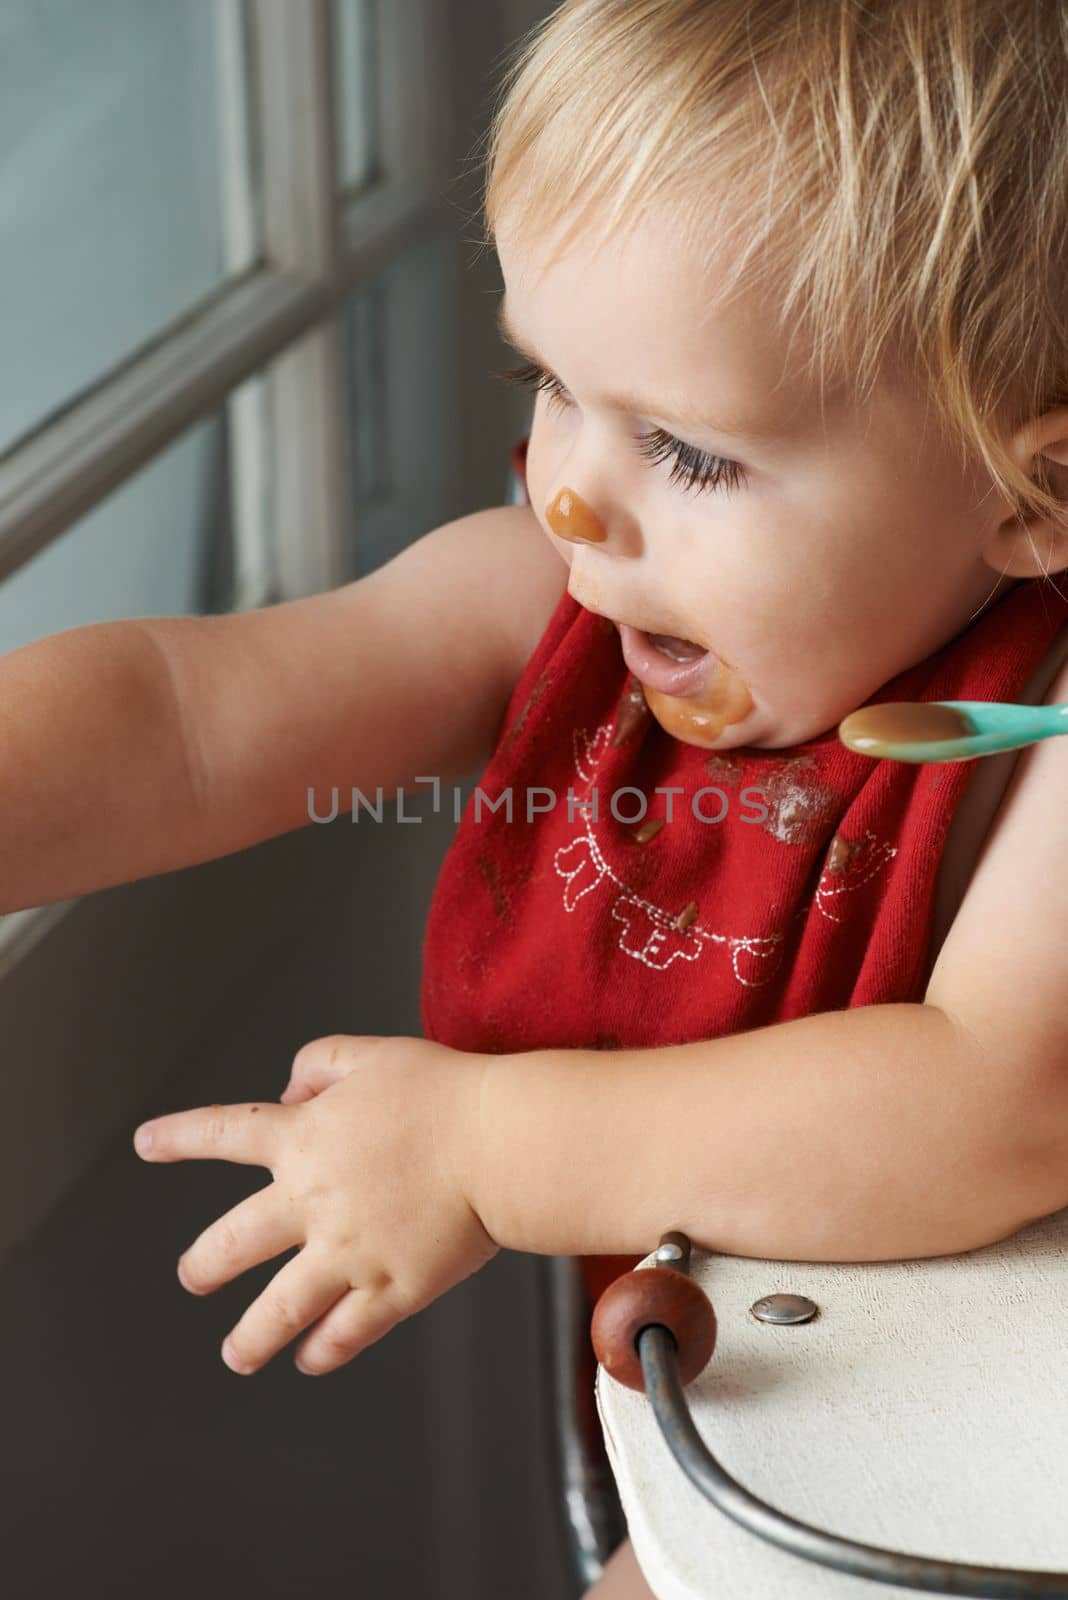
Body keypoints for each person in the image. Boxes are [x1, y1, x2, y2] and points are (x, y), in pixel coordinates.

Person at [2, 3, 1067, 1595]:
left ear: (1029, 497)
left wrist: (495, 1144)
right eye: (551, 381)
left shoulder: (1030, 739)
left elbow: (990, 1105)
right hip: (742, 1430)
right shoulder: (546, 619)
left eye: (690, 453)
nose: (569, 491)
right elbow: (182, 717)